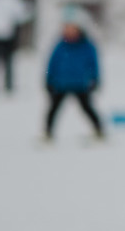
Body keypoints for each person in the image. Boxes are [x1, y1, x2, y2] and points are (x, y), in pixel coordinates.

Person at [43, 12, 105, 143]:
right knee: (53, 110)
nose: (70, 31)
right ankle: (48, 133)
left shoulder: (87, 46)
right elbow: (51, 64)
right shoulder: (60, 46)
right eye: (67, 28)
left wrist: (95, 79)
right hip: (61, 84)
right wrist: (48, 80)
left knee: (87, 108)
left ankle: (99, 131)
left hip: (80, 84)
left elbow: (94, 65)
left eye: (73, 28)